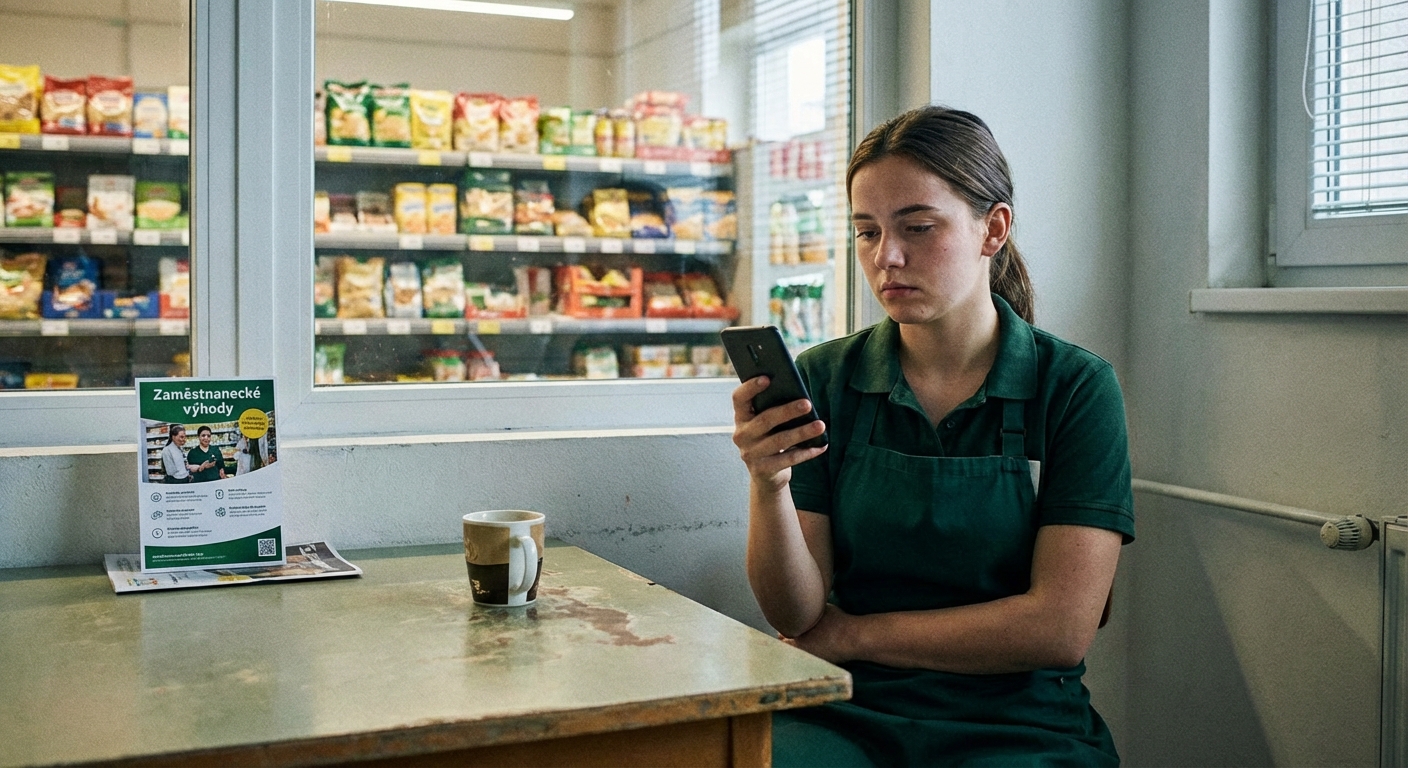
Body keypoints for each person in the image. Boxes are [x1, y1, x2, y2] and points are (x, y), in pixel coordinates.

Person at [730, 106, 1134, 767]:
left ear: (992, 228)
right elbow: (798, 616)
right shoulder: (827, 379)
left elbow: (1060, 629)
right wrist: (767, 485)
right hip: (845, 711)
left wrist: (857, 633)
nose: (886, 256)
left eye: (918, 227)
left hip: (1018, 723)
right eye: (866, 232)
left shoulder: (1075, 387)